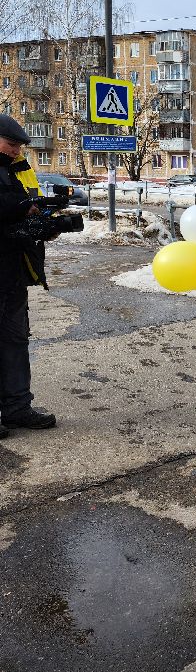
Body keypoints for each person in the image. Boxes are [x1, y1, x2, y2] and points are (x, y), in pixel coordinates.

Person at [0, 114, 57, 436]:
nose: (15, 152)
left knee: (15, 342)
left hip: (12, 273)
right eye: (11, 145)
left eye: (19, 147)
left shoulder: (12, 172)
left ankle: (17, 409)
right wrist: (22, 208)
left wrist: (41, 223)